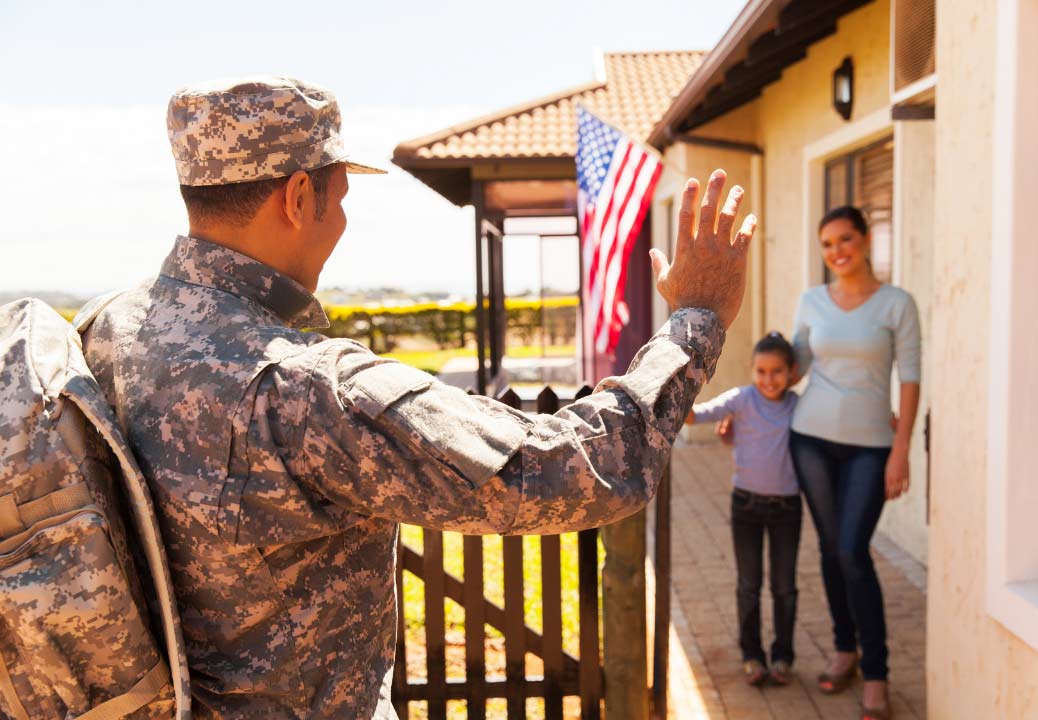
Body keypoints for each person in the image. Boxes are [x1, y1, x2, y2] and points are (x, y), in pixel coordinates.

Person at [76, 76, 757, 719]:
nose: (339, 219)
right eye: (338, 197)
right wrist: (695, 319)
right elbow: (580, 469)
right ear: (297, 198)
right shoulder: (305, 386)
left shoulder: (105, 329)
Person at [788, 206, 921, 720]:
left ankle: (878, 672)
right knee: (828, 548)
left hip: (871, 446)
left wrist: (902, 448)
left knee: (852, 550)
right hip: (811, 439)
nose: (836, 251)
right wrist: (748, 408)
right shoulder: (811, 301)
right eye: (827, 244)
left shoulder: (897, 304)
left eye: (845, 239)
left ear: (866, 240)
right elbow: (792, 366)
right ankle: (846, 649)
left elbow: (910, 378)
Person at [686, 332, 801, 687]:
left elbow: (833, 424)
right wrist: (680, 382)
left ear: (791, 372)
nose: (769, 380)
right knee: (749, 585)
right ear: (752, 370)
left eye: (777, 371)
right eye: (761, 371)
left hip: (787, 508)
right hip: (746, 507)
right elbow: (695, 417)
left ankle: (783, 656)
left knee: (784, 587)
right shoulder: (742, 399)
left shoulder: (800, 406)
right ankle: (752, 655)